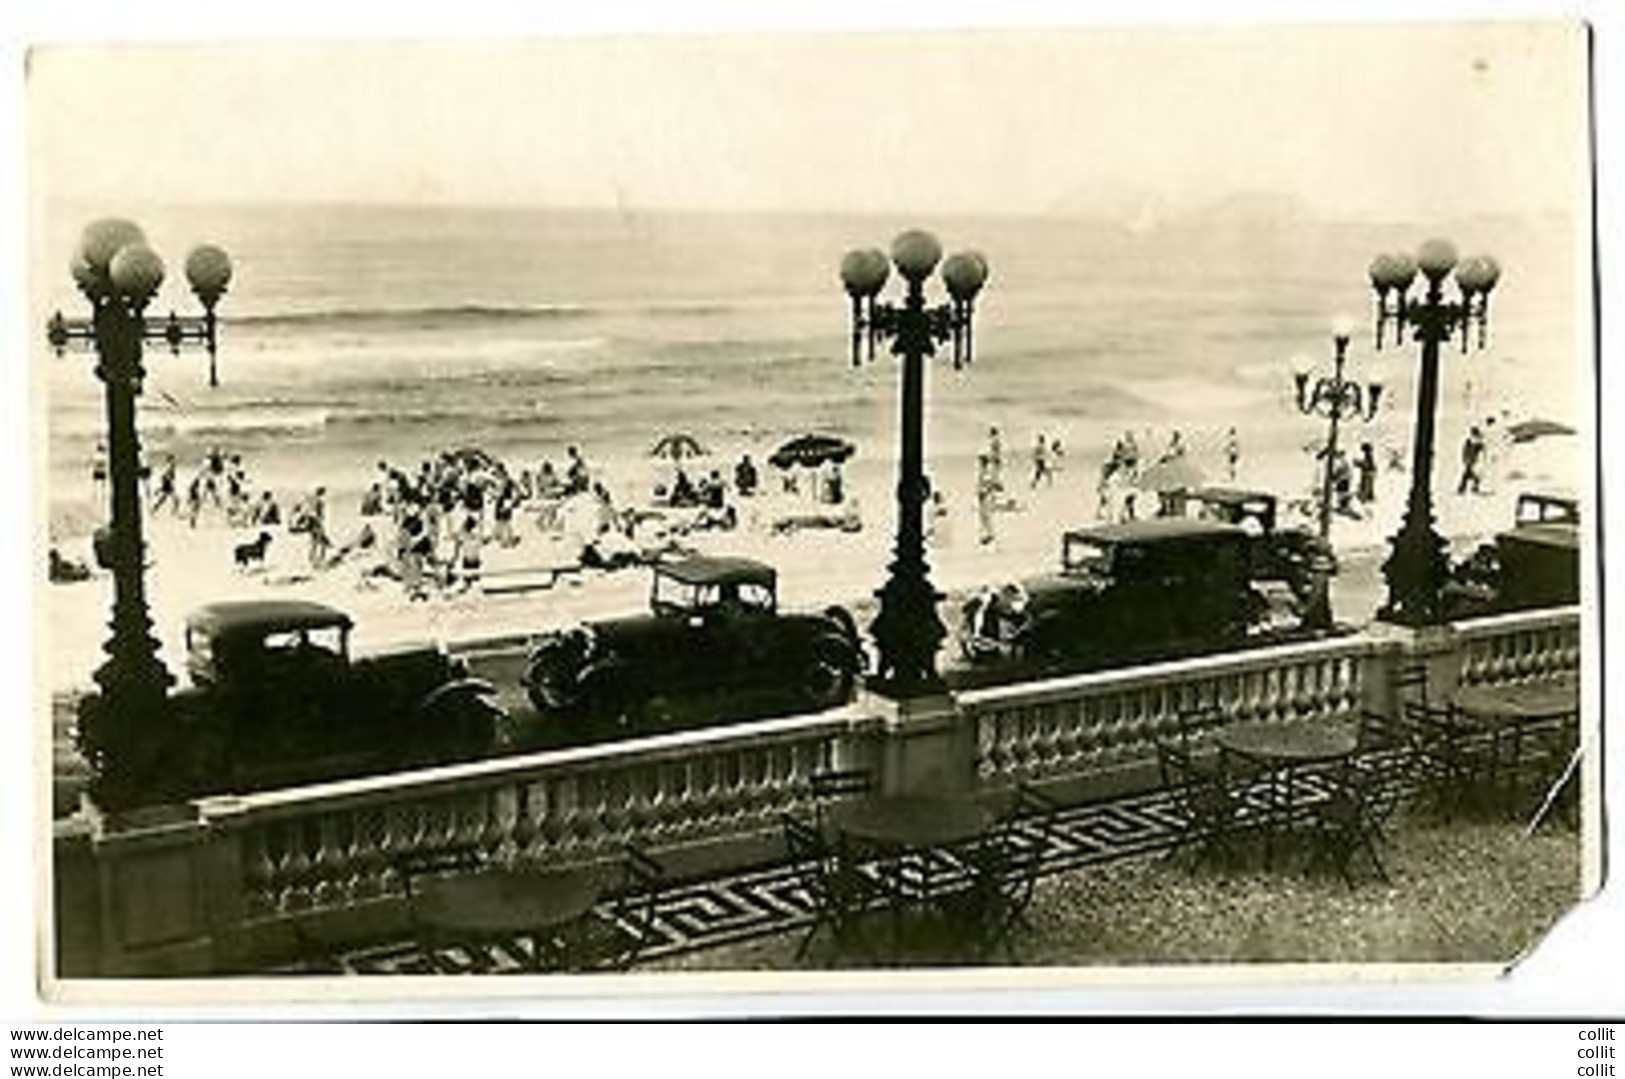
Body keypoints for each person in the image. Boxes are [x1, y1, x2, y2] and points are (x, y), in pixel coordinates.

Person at [1458, 425, 1487, 495]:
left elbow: (1477, 448)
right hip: (1470, 461)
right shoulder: (1469, 442)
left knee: (1468, 475)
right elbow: (1467, 451)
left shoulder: (1472, 442)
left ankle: (1463, 489)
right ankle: (1465, 489)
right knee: (1470, 476)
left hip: (1471, 461)